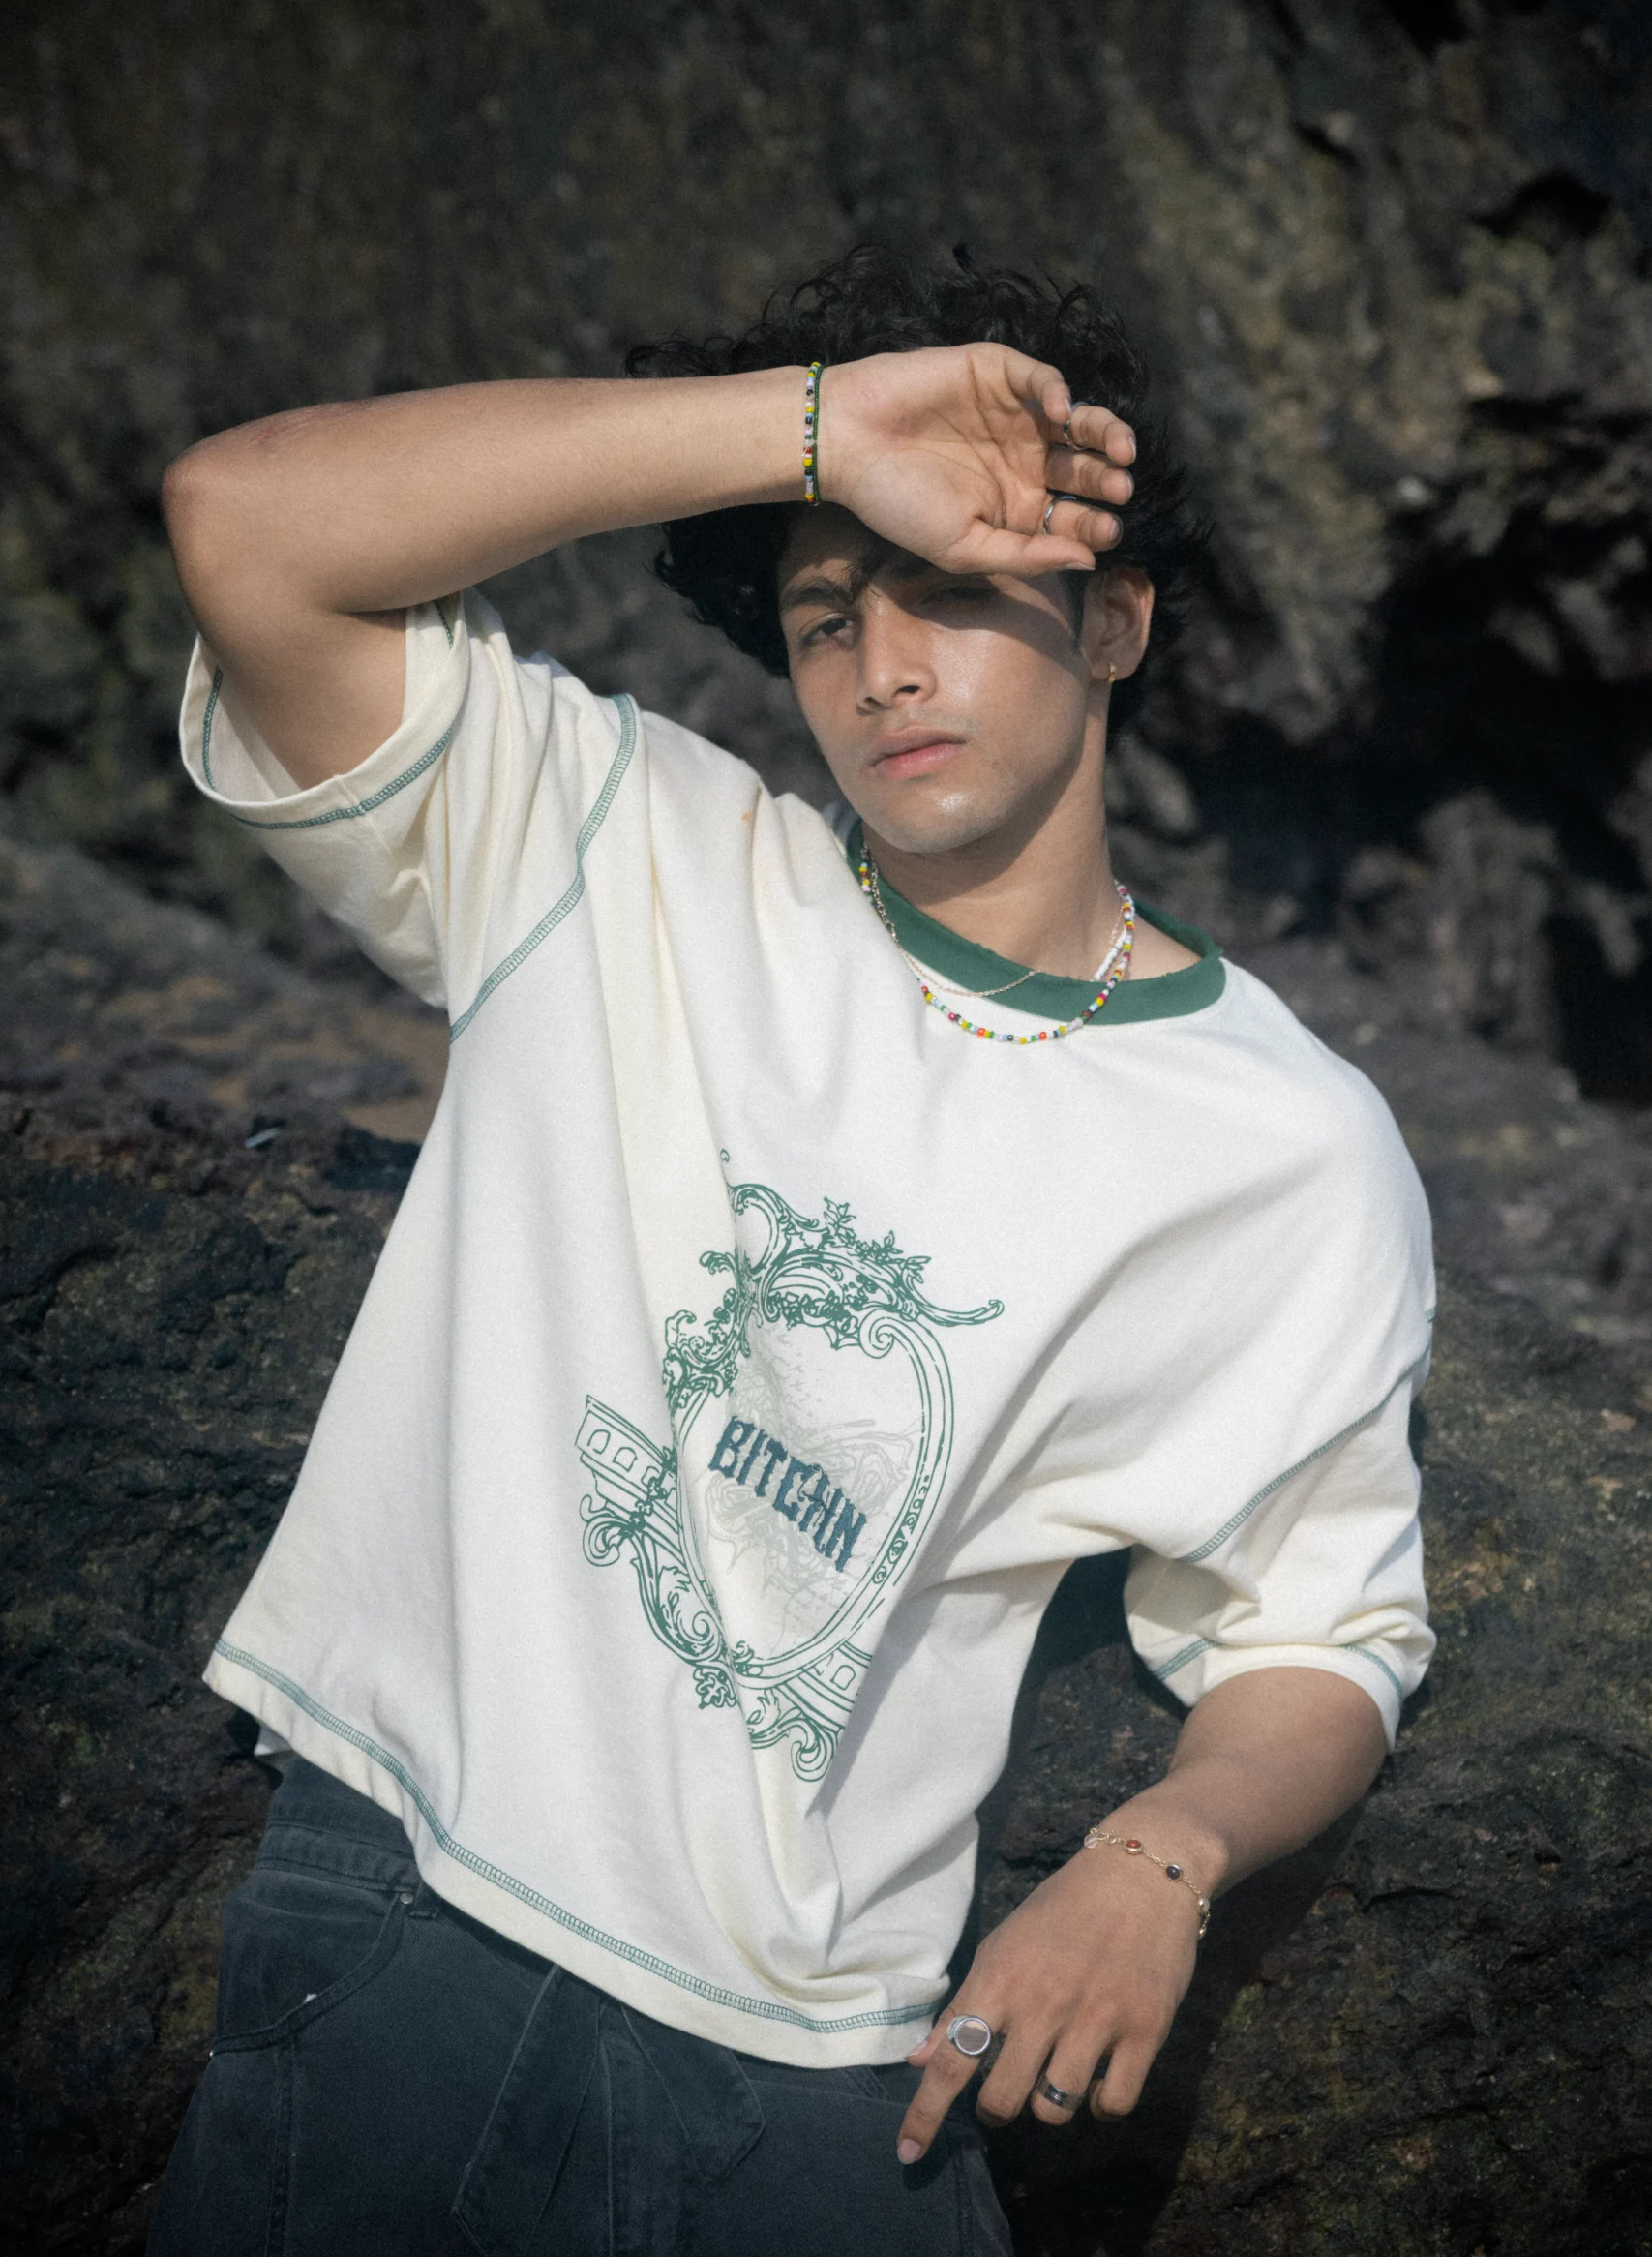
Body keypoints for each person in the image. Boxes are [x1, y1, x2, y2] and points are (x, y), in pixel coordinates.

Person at [148, 249, 1433, 2256]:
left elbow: (1317, 1628)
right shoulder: (614, 850)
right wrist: (823, 431)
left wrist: (1157, 1858)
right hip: (414, 1927)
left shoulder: (1287, 1150)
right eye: (828, 614)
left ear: (1115, 618)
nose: (881, 666)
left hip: (832, 2061)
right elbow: (245, 522)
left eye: (950, 588)